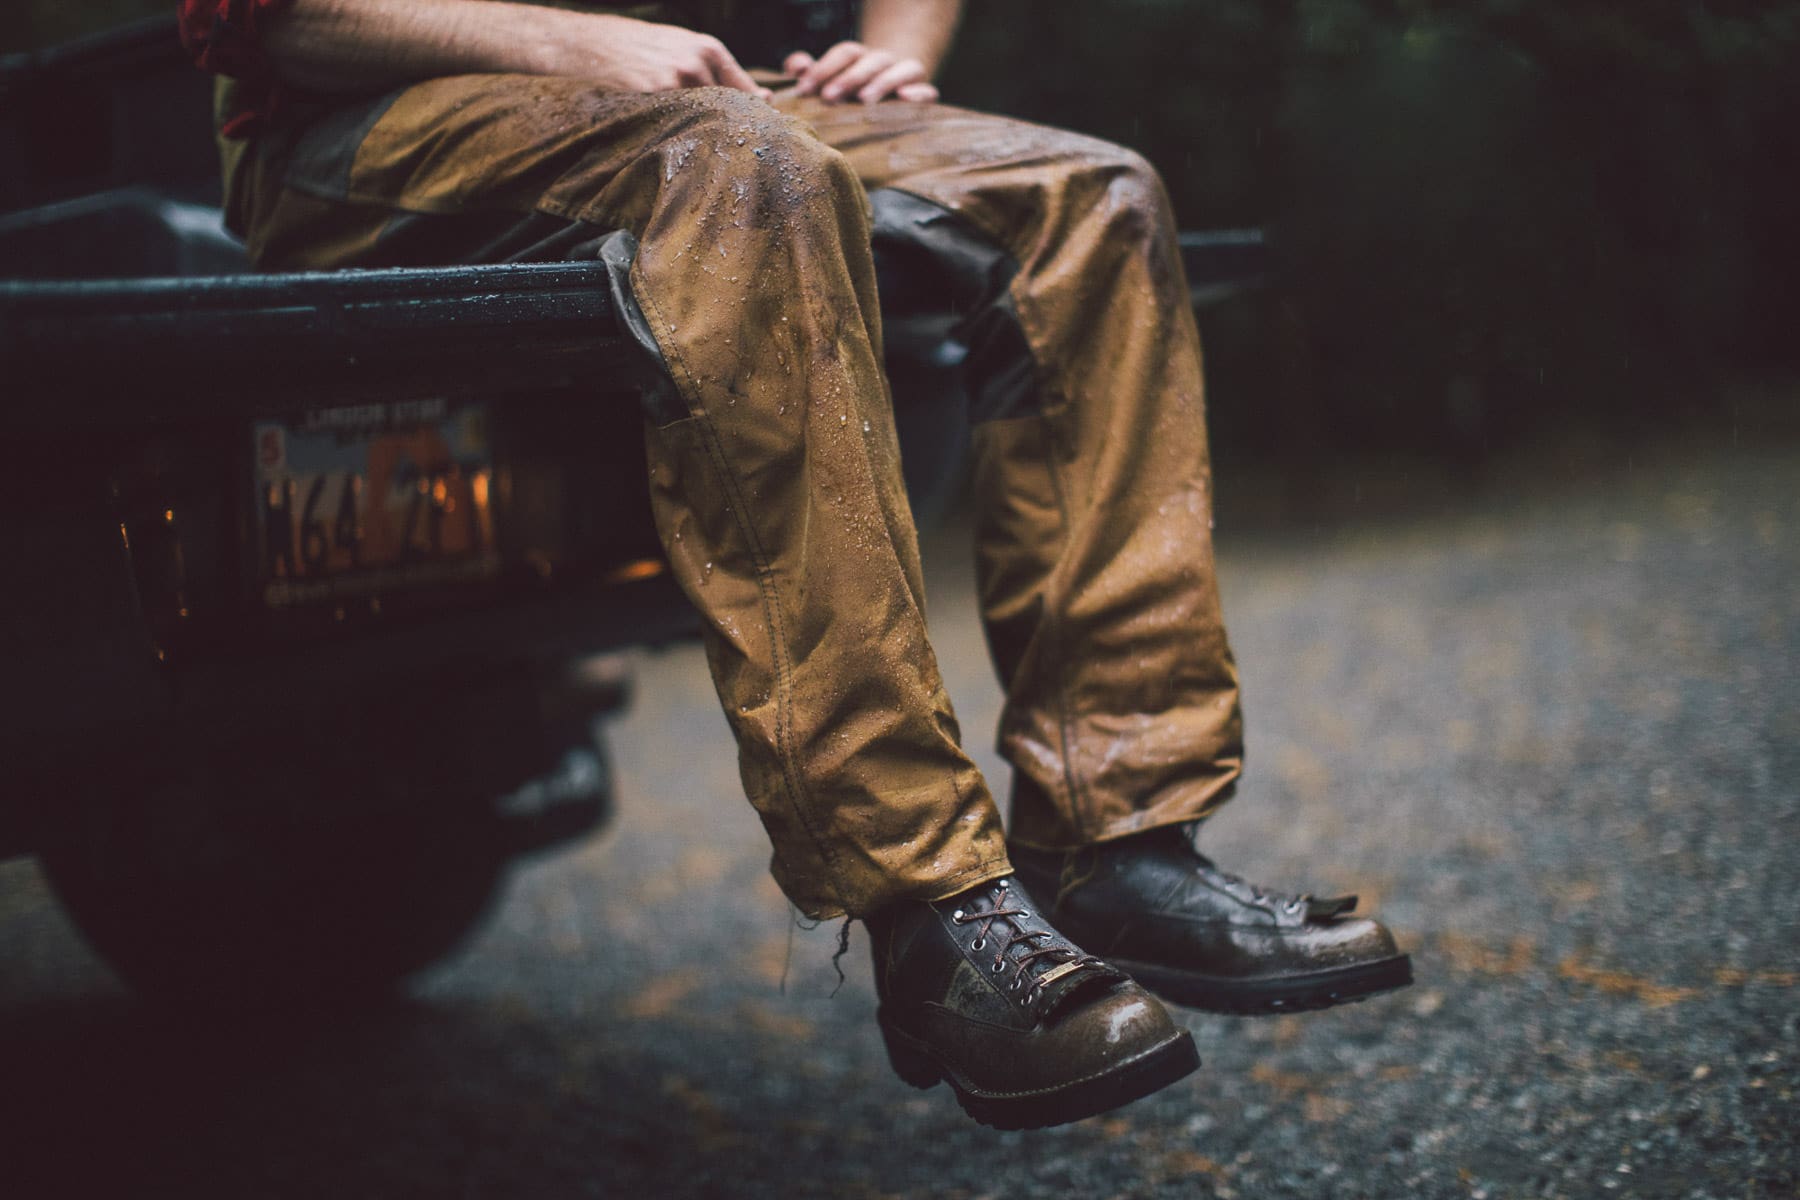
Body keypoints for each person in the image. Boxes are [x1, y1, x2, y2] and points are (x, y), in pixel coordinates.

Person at [178, 0, 1411, 1129]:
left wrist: (903, 46)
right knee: (738, 169)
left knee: (1095, 200)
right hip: (368, 127)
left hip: (714, 94)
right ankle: (929, 912)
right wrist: (565, 41)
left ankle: (1119, 839)